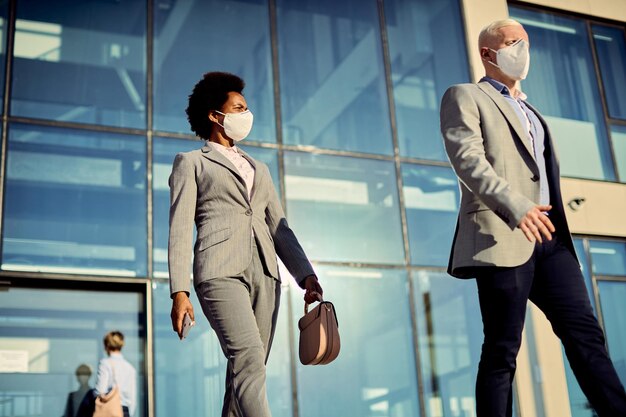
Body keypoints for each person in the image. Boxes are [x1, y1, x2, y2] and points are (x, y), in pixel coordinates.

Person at [439, 18, 626, 417]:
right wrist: (517, 206)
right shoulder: (465, 96)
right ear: (488, 53)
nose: (521, 50)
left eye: (525, 42)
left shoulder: (531, 109)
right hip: (502, 233)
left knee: (585, 336)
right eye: (512, 42)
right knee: (503, 349)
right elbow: (468, 161)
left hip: (551, 240)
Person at [168, 71, 323, 417]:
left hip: (266, 274)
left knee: (247, 373)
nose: (245, 115)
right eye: (238, 108)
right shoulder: (191, 162)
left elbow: (281, 229)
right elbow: (179, 228)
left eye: (246, 108)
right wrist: (179, 291)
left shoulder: (260, 168)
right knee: (248, 357)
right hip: (219, 270)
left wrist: (306, 276)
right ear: (215, 115)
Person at [94, 331, 137, 417]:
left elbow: (100, 390)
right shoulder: (130, 368)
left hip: (110, 409)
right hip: (125, 411)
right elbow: (132, 399)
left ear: (107, 346)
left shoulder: (105, 364)